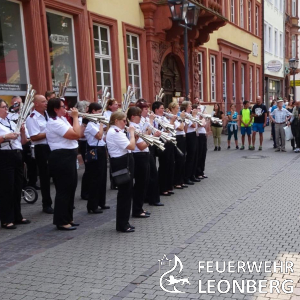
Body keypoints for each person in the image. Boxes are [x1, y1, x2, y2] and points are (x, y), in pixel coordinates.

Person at [46, 98, 81, 230]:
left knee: (71, 187)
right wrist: (76, 118)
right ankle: (61, 221)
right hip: (61, 157)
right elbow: (76, 134)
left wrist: (74, 119)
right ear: (55, 109)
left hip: (69, 155)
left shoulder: (62, 119)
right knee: (63, 189)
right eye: (62, 106)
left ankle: (68, 217)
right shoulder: (54, 123)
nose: (65, 108)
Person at [0, 99, 30, 229]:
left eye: (7, 107)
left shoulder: (11, 121)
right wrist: (6, 137)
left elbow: (23, 142)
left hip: (17, 154)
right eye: (3, 107)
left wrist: (23, 131)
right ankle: (6, 219)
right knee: (7, 188)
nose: (7, 109)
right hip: (4, 155)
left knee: (18, 186)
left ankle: (17, 215)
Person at [106, 111, 136, 233]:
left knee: (127, 194)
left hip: (124, 160)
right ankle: (122, 224)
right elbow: (131, 147)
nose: (126, 123)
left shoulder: (117, 132)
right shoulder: (115, 132)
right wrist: (132, 134)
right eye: (124, 120)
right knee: (124, 195)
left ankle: (125, 222)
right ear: (116, 121)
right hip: (121, 162)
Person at [26, 95, 53, 214]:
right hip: (42, 148)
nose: (46, 103)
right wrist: (51, 132)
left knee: (57, 174)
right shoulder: (32, 118)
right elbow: (34, 137)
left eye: (46, 101)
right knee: (45, 176)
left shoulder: (49, 114)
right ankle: (46, 204)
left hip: (53, 146)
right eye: (43, 102)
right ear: (36, 104)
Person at [136, 99, 164, 206]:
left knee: (151, 174)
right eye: (145, 109)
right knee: (150, 174)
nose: (147, 110)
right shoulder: (141, 121)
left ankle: (150, 197)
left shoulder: (145, 119)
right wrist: (151, 121)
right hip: (143, 148)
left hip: (149, 146)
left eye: (147, 108)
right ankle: (151, 198)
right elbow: (147, 133)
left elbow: (148, 132)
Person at [84, 102, 108, 213]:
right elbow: (98, 136)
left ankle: (101, 202)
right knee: (95, 177)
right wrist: (102, 124)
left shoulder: (96, 123)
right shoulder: (90, 124)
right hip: (94, 150)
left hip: (101, 149)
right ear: (93, 112)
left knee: (102, 177)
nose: (100, 114)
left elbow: (102, 138)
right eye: (99, 112)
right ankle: (92, 206)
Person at [127, 107, 151, 218]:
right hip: (139, 156)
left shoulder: (137, 126)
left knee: (144, 183)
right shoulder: (133, 127)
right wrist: (152, 140)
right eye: (139, 115)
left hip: (143, 155)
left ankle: (139, 207)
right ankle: (137, 210)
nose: (141, 117)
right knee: (140, 184)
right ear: (133, 116)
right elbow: (141, 146)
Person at [152, 101, 176, 195]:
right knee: (164, 165)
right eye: (162, 108)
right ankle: (163, 188)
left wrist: (172, 120)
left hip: (169, 141)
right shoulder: (155, 119)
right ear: (156, 109)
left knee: (170, 164)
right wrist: (171, 121)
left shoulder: (163, 118)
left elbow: (171, 128)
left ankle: (169, 186)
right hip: (162, 142)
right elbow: (164, 130)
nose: (163, 110)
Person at [169, 101, 187, 189]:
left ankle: (181, 180)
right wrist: (182, 120)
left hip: (182, 138)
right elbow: (180, 128)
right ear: (172, 108)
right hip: (177, 138)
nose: (178, 109)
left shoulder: (178, 117)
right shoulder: (172, 117)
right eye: (177, 108)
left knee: (183, 159)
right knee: (179, 160)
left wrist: (182, 120)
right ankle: (176, 181)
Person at [181, 101, 200, 184]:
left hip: (193, 134)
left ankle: (193, 175)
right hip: (189, 135)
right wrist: (194, 116)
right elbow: (193, 125)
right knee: (190, 156)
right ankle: (187, 176)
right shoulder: (185, 115)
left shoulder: (190, 115)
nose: (191, 107)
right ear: (185, 107)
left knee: (195, 155)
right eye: (189, 106)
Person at [75, 100, 90, 200]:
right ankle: (84, 192)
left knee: (91, 167)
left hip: (89, 144)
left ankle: (89, 190)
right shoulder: (80, 119)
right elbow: (81, 134)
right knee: (88, 167)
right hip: (84, 144)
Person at [195, 105, 208, 180]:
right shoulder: (196, 116)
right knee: (199, 154)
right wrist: (201, 118)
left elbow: (205, 125)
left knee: (203, 153)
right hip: (199, 135)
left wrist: (205, 118)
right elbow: (200, 124)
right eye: (198, 108)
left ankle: (202, 171)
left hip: (203, 135)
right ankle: (198, 172)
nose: (199, 110)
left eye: (200, 108)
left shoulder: (203, 116)